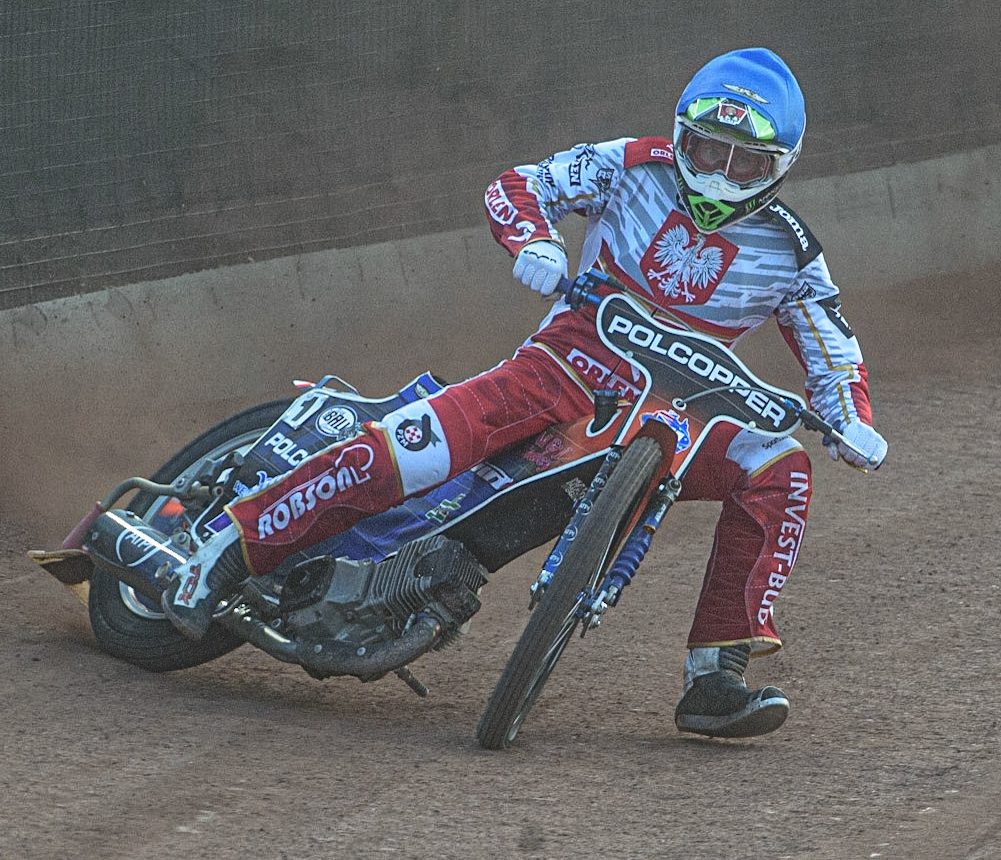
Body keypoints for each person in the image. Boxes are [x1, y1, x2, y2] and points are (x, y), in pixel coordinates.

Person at [159, 47, 887, 739]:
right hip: (559, 371)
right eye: (707, 150)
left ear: (780, 167)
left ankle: (714, 678)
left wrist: (852, 417)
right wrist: (534, 241)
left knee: (780, 464)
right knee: (416, 451)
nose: (722, 175)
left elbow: (833, 350)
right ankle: (226, 544)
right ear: (681, 136)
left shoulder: (792, 251)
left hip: (677, 420)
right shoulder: (632, 163)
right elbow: (523, 184)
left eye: (747, 162)